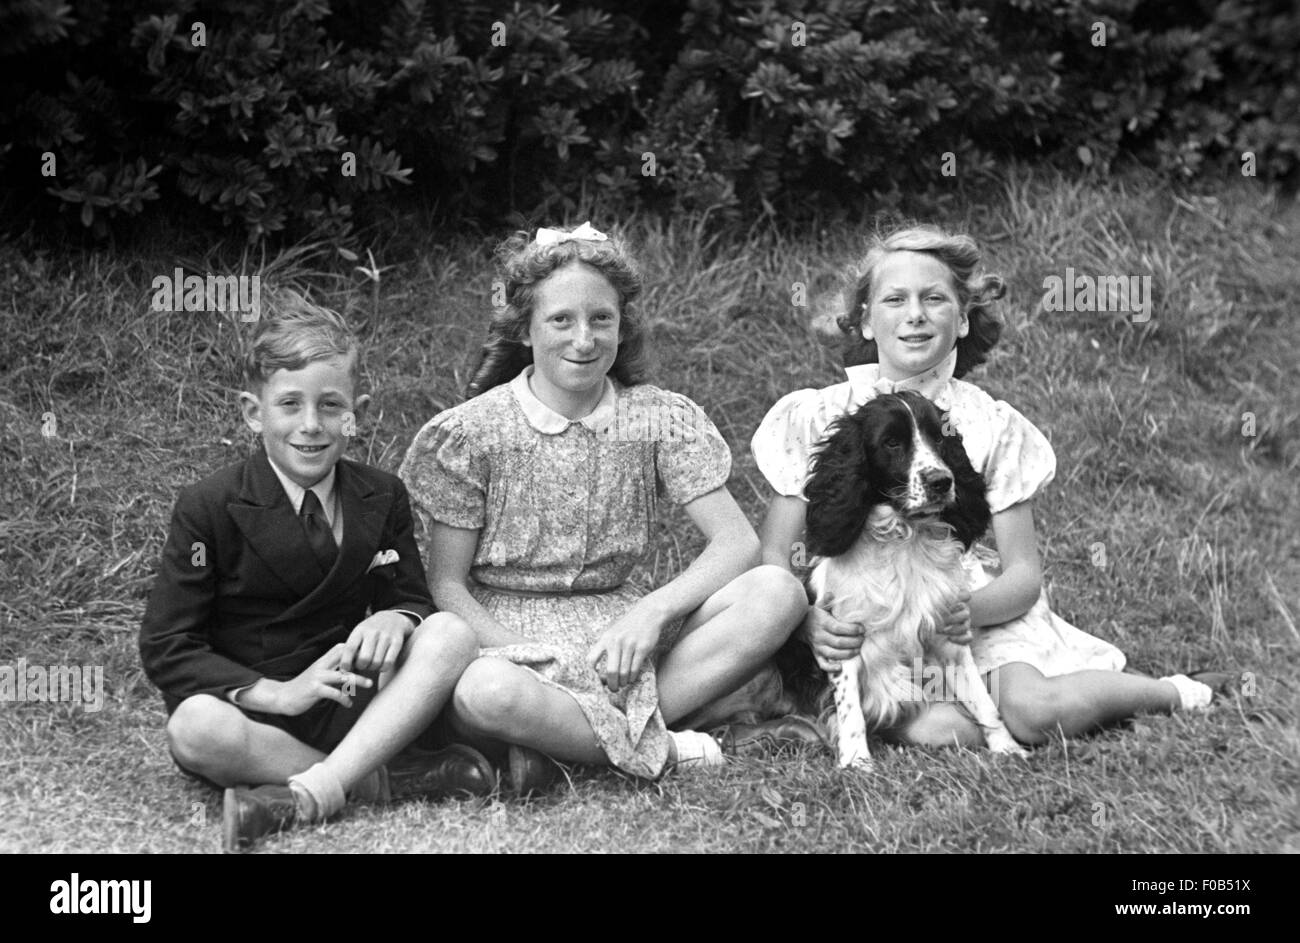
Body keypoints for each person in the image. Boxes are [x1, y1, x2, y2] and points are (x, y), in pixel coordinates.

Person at [752, 225, 1232, 748]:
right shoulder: (815, 414)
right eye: (895, 299)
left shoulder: (990, 422)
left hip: (966, 608)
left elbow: (1023, 573)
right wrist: (805, 623)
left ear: (961, 319)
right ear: (865, 320)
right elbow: (777, 551)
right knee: (935, 729)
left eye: (934, 299)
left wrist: (961, 614)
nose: (915, 314)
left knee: (1032, 711)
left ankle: (1174, 692)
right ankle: (965, 713)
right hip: (873, 619)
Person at [398, 223, 818, 788]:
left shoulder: (654, 416)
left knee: (778, 592)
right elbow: (446, 586)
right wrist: (531, 656)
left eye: (602, 319)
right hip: (509, 634)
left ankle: (562, 747)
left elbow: (738, 542)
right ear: (524, 328)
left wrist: (651, 613)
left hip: (621, 629)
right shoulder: (474, 431)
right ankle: (674, 747)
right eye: (560, 320)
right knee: (484, 693)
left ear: (622, 324)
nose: (584, 339)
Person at [140, 290, 490, 852]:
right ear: (254, 413)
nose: (311, 425)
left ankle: (322, 784)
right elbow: (167, 645)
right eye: (289, 405)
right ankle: (392, 777)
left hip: (355, 699)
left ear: (358, 414)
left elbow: (415, 597)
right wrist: (276, 694)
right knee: (192, 727)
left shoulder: (382, 494)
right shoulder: (208, 506)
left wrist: (398, 619)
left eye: (331, 405)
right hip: (265, 715)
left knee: (449, 633)